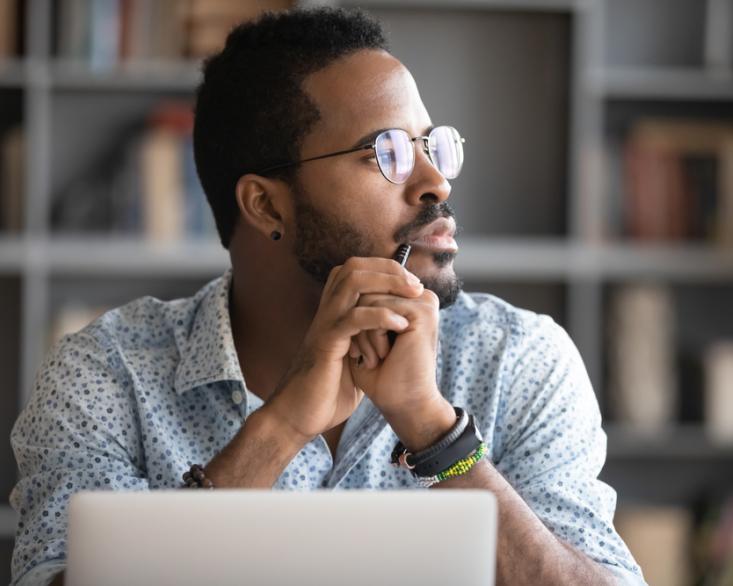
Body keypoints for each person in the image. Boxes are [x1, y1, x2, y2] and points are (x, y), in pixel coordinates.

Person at [10, 7, 645, 586]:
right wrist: (281, 427)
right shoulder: (108, 374)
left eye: (431, 146)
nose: (435, 182)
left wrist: (435, 432)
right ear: (266, 205)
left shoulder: (519, 358)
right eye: (386, 152)